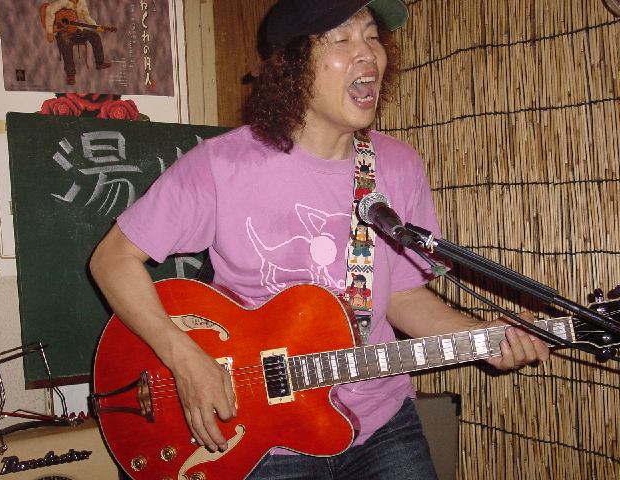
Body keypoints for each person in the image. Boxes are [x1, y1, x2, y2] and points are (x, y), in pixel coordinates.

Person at [90, 1, 550, 478]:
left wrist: (482, 338)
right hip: (263, 437)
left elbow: (402, 296)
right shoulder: (221, 166)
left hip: (382, 422)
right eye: (341, 39)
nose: (367, 53)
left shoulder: (397, 166)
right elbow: (112, 259)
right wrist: (184, 358)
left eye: (372, 36)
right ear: (292, 66)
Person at [44, 0, 111, 85]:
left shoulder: (81, 2)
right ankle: (70, 75)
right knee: (66, 41)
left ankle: (100, 63)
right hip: (62, 31)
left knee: (95, 36)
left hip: (75, 30)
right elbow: (49, 10)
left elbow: (86, 16)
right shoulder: (64, 1)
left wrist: (96, 26)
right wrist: (49, 32)